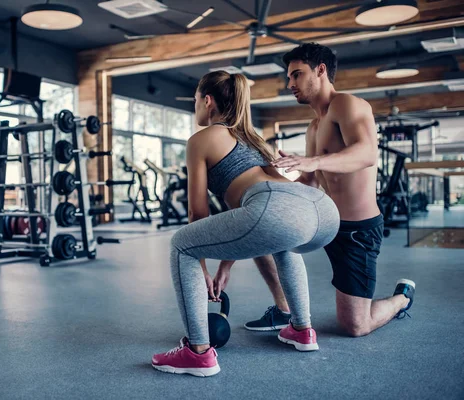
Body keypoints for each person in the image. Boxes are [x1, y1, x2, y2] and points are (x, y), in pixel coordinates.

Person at [151, 70, 340, 378]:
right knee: (281, 239)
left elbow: (197, 215)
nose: (195, 106)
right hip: (321, 211)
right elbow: (252, 224)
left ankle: (197, 352)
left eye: (196, 100)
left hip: (274, 206)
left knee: (180, 244)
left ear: (207, 101)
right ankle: (302, 330)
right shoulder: (254, 139)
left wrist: (200, 267)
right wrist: (225, 267)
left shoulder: (201, 140)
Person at [240, 43, 416, 337]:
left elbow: (367, 154)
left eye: (296, 75)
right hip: (326, 223)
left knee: (355, 326)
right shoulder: (313, 126)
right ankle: (284, 310)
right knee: (267, 231)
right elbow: (310, 182)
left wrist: (312, 161)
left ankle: (402, 298)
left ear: (320, 70)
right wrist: (267, 179)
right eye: (289, 77)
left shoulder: (347, 104)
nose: (290, 84)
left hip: (357, 231)